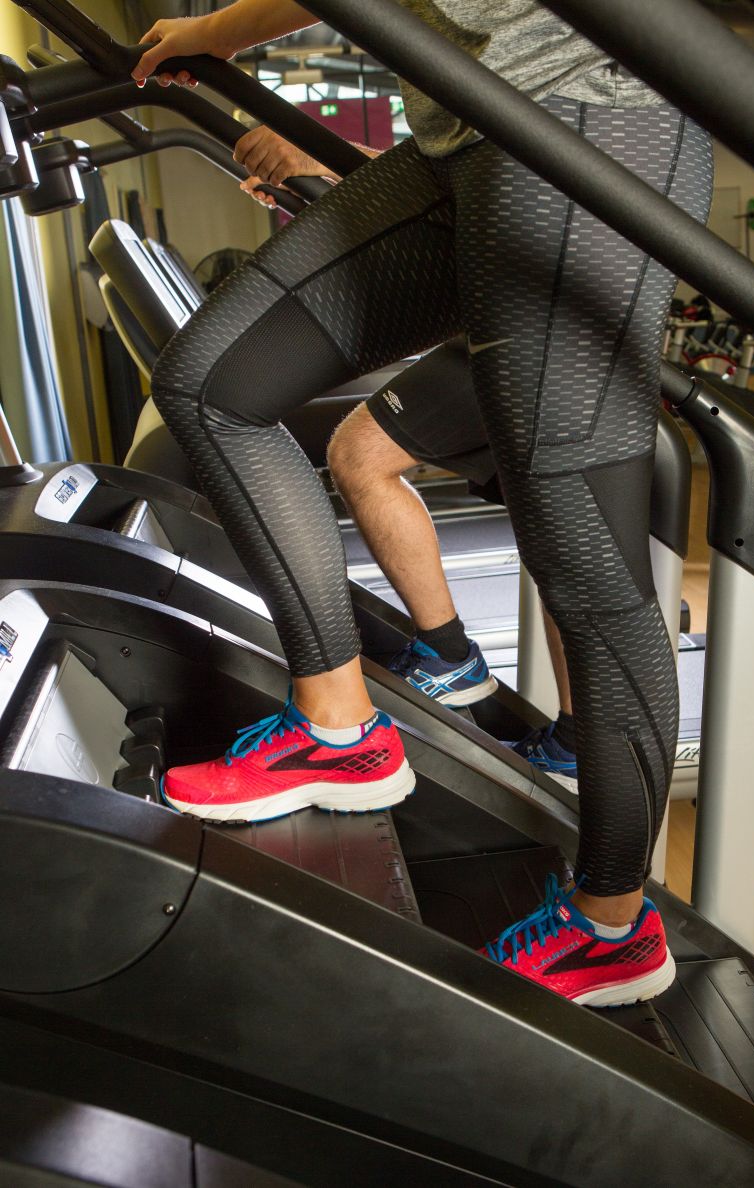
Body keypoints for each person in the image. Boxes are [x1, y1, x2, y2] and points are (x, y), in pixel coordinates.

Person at [132, 0, 713, 1007]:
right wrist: (225, 32)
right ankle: (340, 725)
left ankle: (611, 925)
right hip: (461, 130)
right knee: (211, 381)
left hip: (585, 110)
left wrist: (224, 27)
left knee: (582, 556)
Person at [242, 130, 578, 782]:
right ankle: (574, 741)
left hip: (532, 325)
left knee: (360, 452)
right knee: (556, 541)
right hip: (519, 322)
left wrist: (321, 156)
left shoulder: (510, 67)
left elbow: (466, 184)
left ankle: (450, 656)